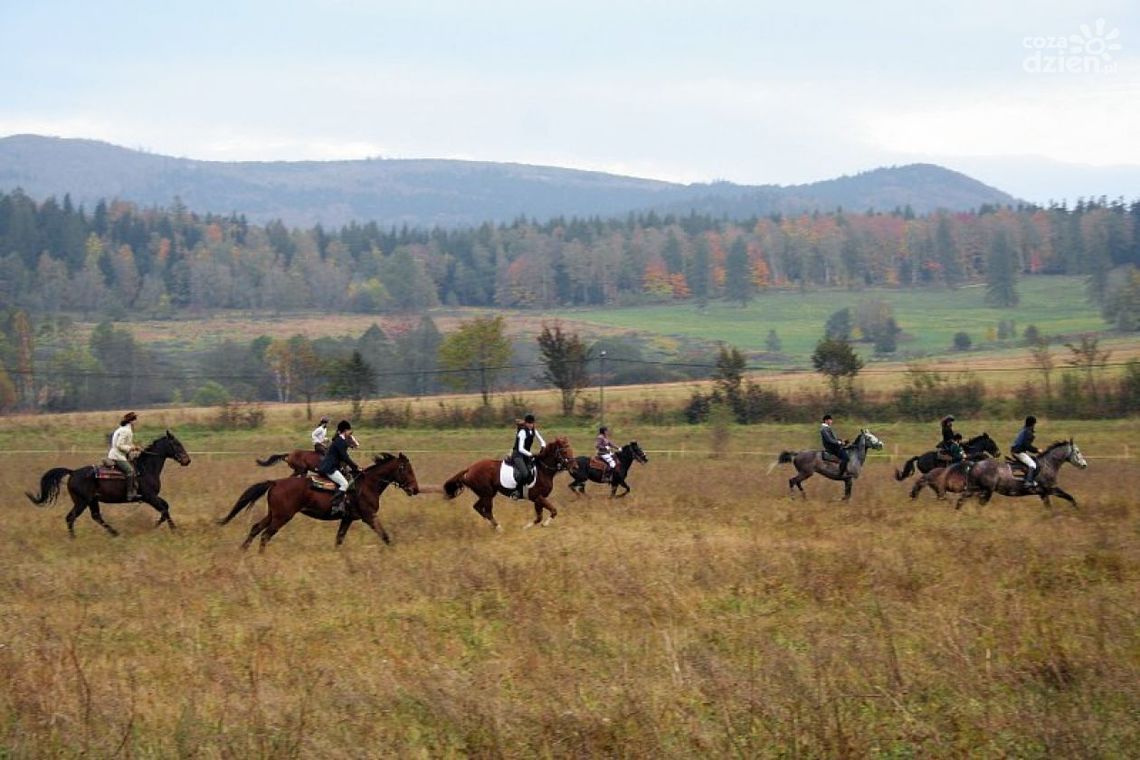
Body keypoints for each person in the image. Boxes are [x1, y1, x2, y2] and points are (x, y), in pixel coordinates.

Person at [318, 420, 361, 516]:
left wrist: (351, 468)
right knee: (345, 484)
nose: (350, 432)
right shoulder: (340, 441)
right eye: (349, 431)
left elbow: (342, 458)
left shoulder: (340, 441)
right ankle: (335, 505)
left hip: (333, 466)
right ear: (345, 431)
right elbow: (345, 457)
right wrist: (356, 467)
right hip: (330, 468)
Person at [510, 413, 546, 499]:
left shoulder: (534, 431)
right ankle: (517, 491)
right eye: (529, 423)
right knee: (525, 473)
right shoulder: (522, 432)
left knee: (535, 470)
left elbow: (542, 441)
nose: (531, 425)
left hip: (526, 456)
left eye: (532, 423)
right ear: (525, 423)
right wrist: (531, 454)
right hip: (518, 455)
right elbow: (520, 448)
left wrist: (543, 448)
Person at [108, 411, 141, 500]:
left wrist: (135, 447)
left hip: (120, 454)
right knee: (130, 471)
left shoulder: (123, 429)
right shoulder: (126, 431)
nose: (136, 422)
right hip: (117, 456)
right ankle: (130, 494)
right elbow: (119, 445)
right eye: (135, 420)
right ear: (131, 421)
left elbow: (127, 443)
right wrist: (132, 448)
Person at [1011, 415, 1041, 487]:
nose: (1034, 426)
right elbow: (1027, 446)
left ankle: (1030, 478)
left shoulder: (1024, 429)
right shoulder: (1027, 432)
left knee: (1033, 459)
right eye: (1034, 424)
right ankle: (1028, 481)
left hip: (1017, 450)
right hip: (1018, 452)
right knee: (1032, 464)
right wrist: (1037, 450)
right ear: (1032, 424)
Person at [820, 413, 849, 479]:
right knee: (846, 458)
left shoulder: (828, 428)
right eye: (830, 420)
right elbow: (829, 440)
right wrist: (839, 442)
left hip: (834, 445)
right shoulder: (824, 429)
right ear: (826, 421)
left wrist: (842, 441)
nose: (831, 421)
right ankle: (840, 474)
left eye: (831, 420)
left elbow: (834, 439)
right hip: (831, 447)